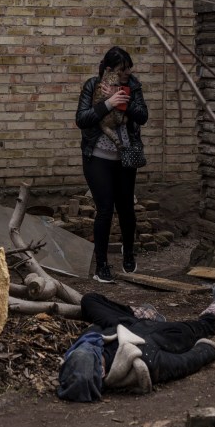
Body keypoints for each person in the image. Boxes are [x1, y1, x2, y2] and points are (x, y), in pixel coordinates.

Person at [56, 282, 215, 402]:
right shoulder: (142, 362)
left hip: (124, 323)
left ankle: (143, 313)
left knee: (89, 300)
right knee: (200, 327)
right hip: (164, 335)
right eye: (93, 353)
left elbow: (93, 331)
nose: (91, 346)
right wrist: (208, 350)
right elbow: (183, 363)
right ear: (102, 372)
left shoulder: (82, 352)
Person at [76, 46, 149, 283]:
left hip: (125, 158)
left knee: (126, 208)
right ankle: (102, 265)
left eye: (129, 68)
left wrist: (123, 102)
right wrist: (108, 103)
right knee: (105, 209)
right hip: (97, 157)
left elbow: (143, 116)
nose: (127, 72)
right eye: (122, 69)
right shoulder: (92, 85)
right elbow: (82, 119)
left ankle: (128, 253)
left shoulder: (133, 84)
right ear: (109, 69)